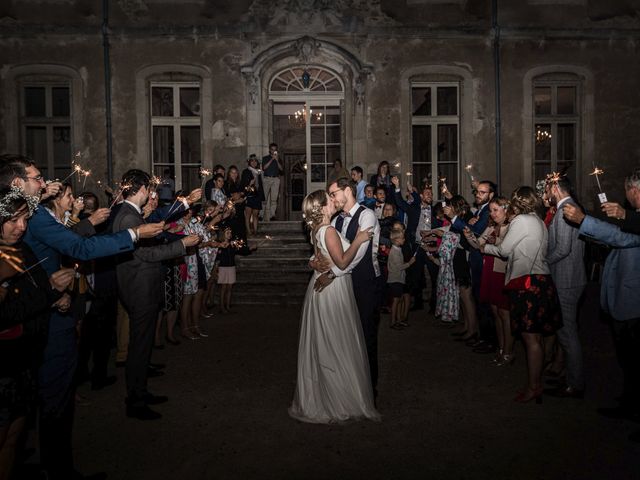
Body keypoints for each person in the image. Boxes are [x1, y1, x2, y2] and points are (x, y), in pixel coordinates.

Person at [1, 154, 164, 479]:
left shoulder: (30, 213)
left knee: (29, 408)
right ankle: (59, 470)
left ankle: (41, 461)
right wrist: (135, 235)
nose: (44, 183)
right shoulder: (31, 218)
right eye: (36, 178)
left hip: (46, 309)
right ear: (18, 184)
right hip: (43, 322)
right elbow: (80, 249)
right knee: (53, 401)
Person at [112, 169, 201, 420]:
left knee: (143, 345)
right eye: (149, 189)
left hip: (144, 286)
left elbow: (158, 222)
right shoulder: (128, 217)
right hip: (138, 288)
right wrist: (181, 245)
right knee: (138, 347)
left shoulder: (132, 213)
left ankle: (141, 391)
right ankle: (135, 401)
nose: (152, 194)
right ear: (140, 189)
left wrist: (183, 203)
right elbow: (145, 254)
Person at [0, 186, 74, 480]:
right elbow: (6, 313)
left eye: (24, 219)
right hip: (2, 364)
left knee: (15, 434)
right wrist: (50, 292)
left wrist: (55, 295)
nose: (21, 227)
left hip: (24, 357)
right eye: (12, 220)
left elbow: (36, 288)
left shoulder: (22, 249)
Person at [289, 189, 379, 423]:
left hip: (326, 286)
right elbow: (341, 260)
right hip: (332, 289)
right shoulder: (328, 229)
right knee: (336, 342)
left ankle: (329, 394)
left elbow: (321, 255)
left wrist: (314, 262)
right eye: (329, 199)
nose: (333, 200)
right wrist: (359, 239)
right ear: (323, 207)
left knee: (329, 342)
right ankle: (339, 398)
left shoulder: (317, 230)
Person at [563, 168, 640, 443]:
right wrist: (589, 228)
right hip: (622, 296)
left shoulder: (636, 219)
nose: (628, 196)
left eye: (628, 190)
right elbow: (613, 234)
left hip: (635, 302)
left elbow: (621, 238)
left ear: (634, 190)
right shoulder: (633, 218)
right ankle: (629, 404)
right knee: (627, 359)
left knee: (635, 360)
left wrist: (585, 220)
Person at [483, 186, 562, 404]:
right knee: (539, 335)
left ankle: (534, 386)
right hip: (542, 280)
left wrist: (485, 247)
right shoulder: (538, 220)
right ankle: (538, 379)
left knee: (530, 338)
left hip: (527, 282)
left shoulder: (521, 221)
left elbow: (504, 250)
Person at [315, 178, 382, 397]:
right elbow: (327, 248)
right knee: (344, 337)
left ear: (347, 190)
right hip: (342, 288)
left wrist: (332, 274)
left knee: (365, 336)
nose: (332, 198)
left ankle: (369, 389)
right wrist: (312, 262)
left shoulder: (367, 215)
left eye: (333, 193)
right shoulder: (336, 221)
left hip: (365, 285)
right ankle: (347, 387)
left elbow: (358, 255)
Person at [544, 175, 587, 398]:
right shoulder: (571, 207)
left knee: (568, 334)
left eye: (548, 187)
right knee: (567, 332)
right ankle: (570, 377)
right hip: (571, 277)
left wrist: (542, 262)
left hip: (567, 279)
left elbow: (562, 249)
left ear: (556, 189)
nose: (546, 191)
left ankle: (575, 384)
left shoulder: (564, 211)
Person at [464, 196, 512, 366]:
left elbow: (506, 249)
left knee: (504, 313)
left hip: (502, 272)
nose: (492, 214)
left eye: (495, 210)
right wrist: (469, 235)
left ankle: (508, 351)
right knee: (495, 312)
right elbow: (478, 245)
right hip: (489, 270)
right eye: (490, 210)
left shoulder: (512, 227)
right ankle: (500, 348)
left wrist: (495, 242)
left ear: (506, 209)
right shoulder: (491, 227)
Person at [387, 229, 415, 329]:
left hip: (399, 279)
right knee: (396, 301)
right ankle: (393, 322)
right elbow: (399, 267)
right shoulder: (394, 252)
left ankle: (398, 320)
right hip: (395, 280)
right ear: (397, 240)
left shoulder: (397, 249)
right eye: (402, 238)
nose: (404, 240)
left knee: (399, 300)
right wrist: (410, 263)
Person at [241, 154, 265, 236]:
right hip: (249, 195)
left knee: (255, 214)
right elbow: (243, 184)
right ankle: (248, 231)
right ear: (249, 162)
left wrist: (262, 197)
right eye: (252, 160)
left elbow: (261, 185)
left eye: (255, 160)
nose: (254, 162)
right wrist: (249, 184)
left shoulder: (259, 172)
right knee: (248, 215)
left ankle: (255, 231)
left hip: (257, 196)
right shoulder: (246, 171)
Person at [261, 142, 283, 221]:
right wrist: (272, 159)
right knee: (264, 198)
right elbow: (264, 168)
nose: (273, 151)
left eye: (275, 150)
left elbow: (281, 169)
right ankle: (261, 214)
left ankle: (272, 214)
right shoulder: (265, 158)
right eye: (272, 150)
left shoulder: (278, 158)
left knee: (274, 198)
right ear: (269, 150)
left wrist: (276, 160)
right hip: (267, 179)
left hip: (275, 179)